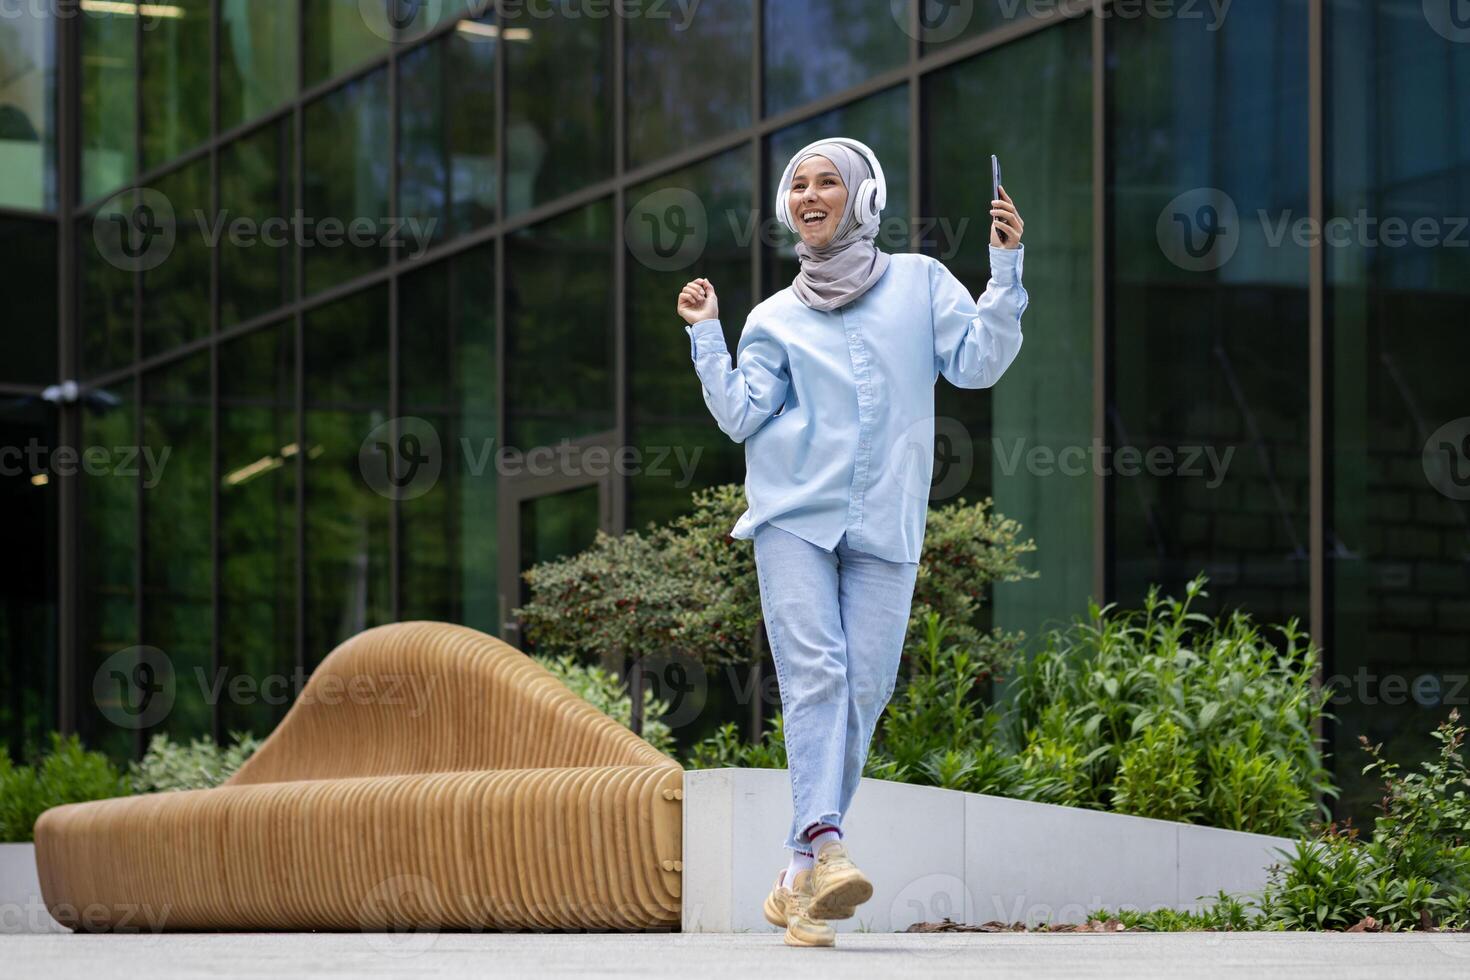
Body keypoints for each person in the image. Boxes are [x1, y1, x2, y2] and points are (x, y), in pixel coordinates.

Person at [675, 137, 1028, 947]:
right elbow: (740, 414)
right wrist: (707, 334)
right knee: (818, 679)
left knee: (862, 694)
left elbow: (975, 365)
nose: (808, 193)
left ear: (863, 198)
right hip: (793, 518)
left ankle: (796, 878)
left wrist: (1003, 276)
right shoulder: (772, 317)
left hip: (886, 522)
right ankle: (830, 850)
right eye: (797, 184)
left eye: (826, 180)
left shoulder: (920, 284)